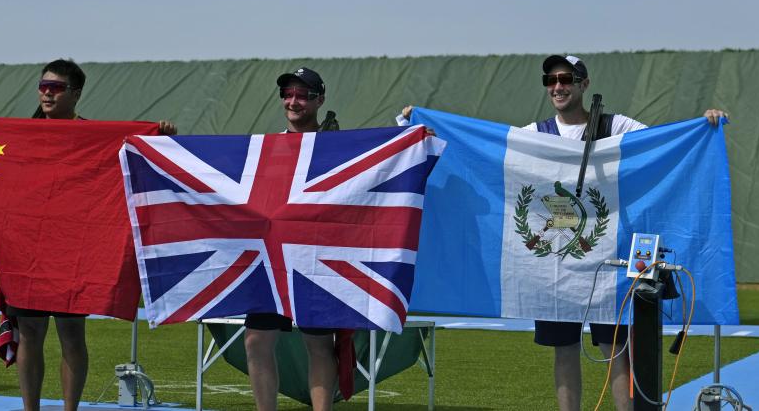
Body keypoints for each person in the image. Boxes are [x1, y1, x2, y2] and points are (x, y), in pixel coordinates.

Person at [402, 54, 727, 411]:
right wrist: (421, 125)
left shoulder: (615, 126)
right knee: (564, 351)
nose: (558, 86)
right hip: (552, 267)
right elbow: (482, 152)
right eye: (551, 80)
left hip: (607, 263)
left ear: (584, 84)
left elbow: (664, 144)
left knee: (615, 351)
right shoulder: (533, 136)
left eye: (566, 78)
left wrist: (703, 126)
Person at [13, 59, 176, 411]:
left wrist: (159, 139)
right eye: (43, 85)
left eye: (55, 88)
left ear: (75, 94)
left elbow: (134, 161)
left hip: (72, 250)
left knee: (71, 335)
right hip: (28, 249)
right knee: (29, 332)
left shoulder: (94, 137)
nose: (46, 93)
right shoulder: (19, 135)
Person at [243, 66, 339, 411]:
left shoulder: (338, 148)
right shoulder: (265, 147)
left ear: (319, 100)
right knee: (255, 341)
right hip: (272, 259)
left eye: (302, 95)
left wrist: (417, 137)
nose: (293, 101)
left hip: (315, 256)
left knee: (319, 344)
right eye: (288, 94)